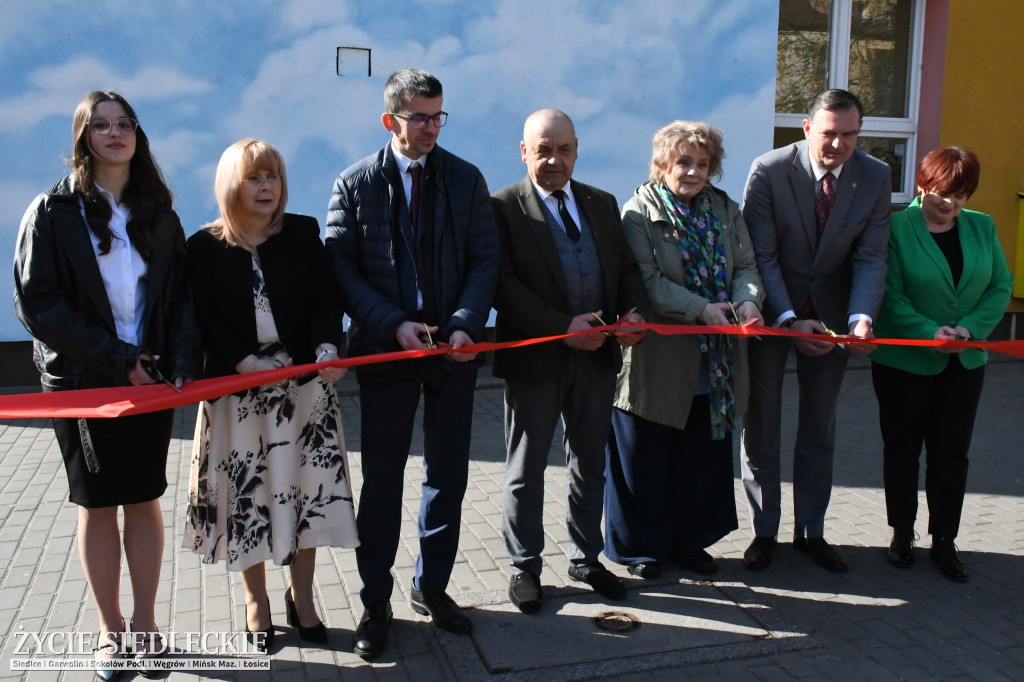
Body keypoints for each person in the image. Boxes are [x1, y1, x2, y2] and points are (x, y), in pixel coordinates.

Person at [13, 90, 201, 679]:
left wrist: (182, 362)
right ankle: (109, 632)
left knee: (144, 498)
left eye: (125, 125)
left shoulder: (160, 214)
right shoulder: (51, 211)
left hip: (149, 380)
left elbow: (179, 301)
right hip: (82, 382)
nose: (114, 134)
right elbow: (36, 303)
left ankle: (146, 628)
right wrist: (118, 359)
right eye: (101, 126)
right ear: (83, 137)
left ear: (138, 135)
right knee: (97, 506)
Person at [325, 68, 498, 659]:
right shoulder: (354, 185)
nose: (430, 128)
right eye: (419, 117)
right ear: (389, 120)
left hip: (452, 352)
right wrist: (390, 324)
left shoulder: (465, 178)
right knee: (383, 482)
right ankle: (376, 602)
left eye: (437, 116)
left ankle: (433, 586)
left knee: (448, 474)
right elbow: (341, 270)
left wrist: (465, 324)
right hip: (387, 350)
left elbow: (485, 260)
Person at [183, 139, 358, 649]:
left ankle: (303, 599)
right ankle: (256, 602)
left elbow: (328, 300)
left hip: (304, 393)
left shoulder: (302, 233)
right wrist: (247, 362)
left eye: (273, 177)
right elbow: (204, 320)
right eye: (255, 178)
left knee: (307, 499)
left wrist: (328, 347)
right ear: (230, 186)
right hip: (239, 394)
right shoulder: (204, 246)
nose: (266, 187)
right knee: (249, 501)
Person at [492, 108, 647, 614]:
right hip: (538, 361)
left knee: (589, 462)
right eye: (543, 149)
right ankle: (525, 565)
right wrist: (562, 328)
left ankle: (585, 556)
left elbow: (625, 268)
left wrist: (631, 313)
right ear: (524, 151)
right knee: (527, 467)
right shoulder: (502, 208)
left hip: (598, 359)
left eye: (563, 149)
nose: (554, 160)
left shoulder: (601, 203)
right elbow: (502, 286)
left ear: (577, 150)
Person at [740, 89, 891, 573]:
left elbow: (871, 255)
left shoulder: (875, 176)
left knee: (819, 429)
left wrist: (860, 318)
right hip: (773, 318)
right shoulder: (769, 170)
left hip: (834, 323)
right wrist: (786, 319)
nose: (839, 144)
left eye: (849, 135)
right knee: (761, 427)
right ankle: (764, 532)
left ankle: (812, 531)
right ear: (807, 129)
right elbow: (760, 256)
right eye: (829, 134)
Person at [606, 121, 764, 579]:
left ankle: (689, 543)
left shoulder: (727, 210)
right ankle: (641, 551)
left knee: (700, 459)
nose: (693, 171)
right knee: (645, 461)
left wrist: (749, 298)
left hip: (715, 363)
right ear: (662, 165)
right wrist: (701, 309)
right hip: (658, 361)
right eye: (683, 162)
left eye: (702, 163)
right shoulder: (638, 212)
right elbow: (648, 283)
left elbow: (747, 266)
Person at [870, 147, 1012, 581]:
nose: (949, 202)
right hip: (904, 362)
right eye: (940, 191)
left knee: (951, 453)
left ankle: (945, 540)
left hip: (964, 362)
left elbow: (1000, 285)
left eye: (960, 195)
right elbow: (889, 295)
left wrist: (968, 329)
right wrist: (930, 331)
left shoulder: (983, 227)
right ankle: (901, 533)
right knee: (903, 449)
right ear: (922, 184)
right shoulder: (895, 228)